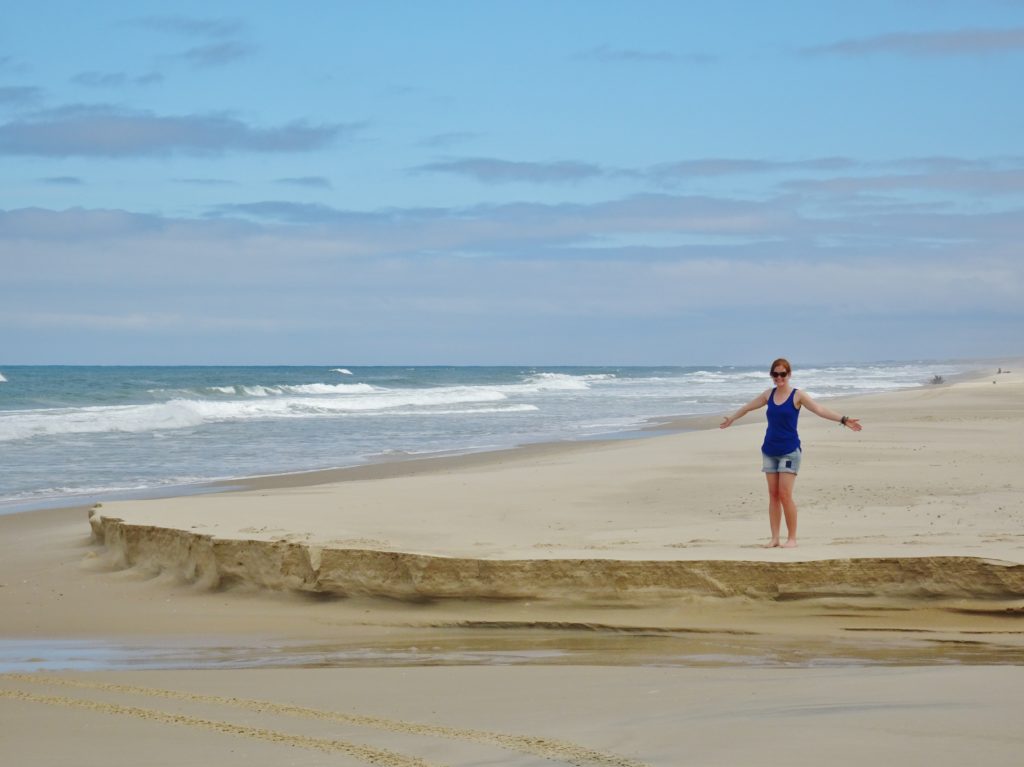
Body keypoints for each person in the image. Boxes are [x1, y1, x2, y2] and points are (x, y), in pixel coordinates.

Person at [719, 358, 862, 548]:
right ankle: (775, 538)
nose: (779, 378)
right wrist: (732, 419)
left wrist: (844, 419)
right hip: (769, 450)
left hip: (789, 451)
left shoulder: (797, 396)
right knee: (773, 495)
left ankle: (792, 538)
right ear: (771, 375)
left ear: (789, 374)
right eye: (775, 374)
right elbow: (747, 408)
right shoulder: (768, 395)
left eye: (782, 374)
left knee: (785, 495)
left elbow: (819, 409)